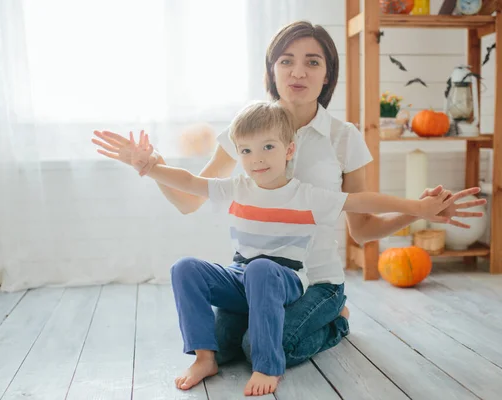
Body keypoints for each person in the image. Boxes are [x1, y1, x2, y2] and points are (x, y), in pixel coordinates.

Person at [92, 20, 486, 397]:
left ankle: (336, 319)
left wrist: (419, 210)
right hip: (252, 279)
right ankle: (228, 343)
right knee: (226, 346)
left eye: (313, 61)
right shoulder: (245, 130)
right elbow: (190, 198)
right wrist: (151, 165)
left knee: (260, 348)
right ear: (272, 68)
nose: (298, 71)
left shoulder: (342, 137)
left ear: (328, 74)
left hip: (313, 282)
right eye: (286, 60)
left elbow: (362, 228)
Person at [113, 100, 457, 396]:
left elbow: (362, 199)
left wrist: (418, 208)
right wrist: (150, 166)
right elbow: (189, 182)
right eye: (246, 150)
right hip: (242, 276)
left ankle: (270, 364)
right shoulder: (237, 187)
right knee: (185, 267)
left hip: (288, 281)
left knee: (262, 270)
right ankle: (205, 358)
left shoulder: (306, 196)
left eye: (268, 147)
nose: (256, 159)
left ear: (289, 149)